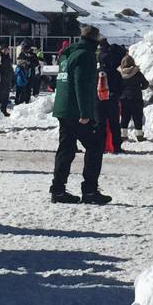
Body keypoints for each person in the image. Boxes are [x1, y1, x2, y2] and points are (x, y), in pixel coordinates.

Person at [49, 24, 110, 204]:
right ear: (96, 40)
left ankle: (58, 190)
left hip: (63, 107)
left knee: (66, 148)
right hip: (76, 110)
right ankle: (90, 190)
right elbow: (80, 83)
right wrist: (85, 112)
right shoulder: (86, 55)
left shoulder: (68, 53)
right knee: (95, 145)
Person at [98, 39, 128, 153]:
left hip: (98, 101)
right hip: (112, 100)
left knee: (100, 124)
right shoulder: (115, 73)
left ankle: (100, 146)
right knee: (114, 124)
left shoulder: (98, 70)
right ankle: (116, 147)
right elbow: (121, 87)